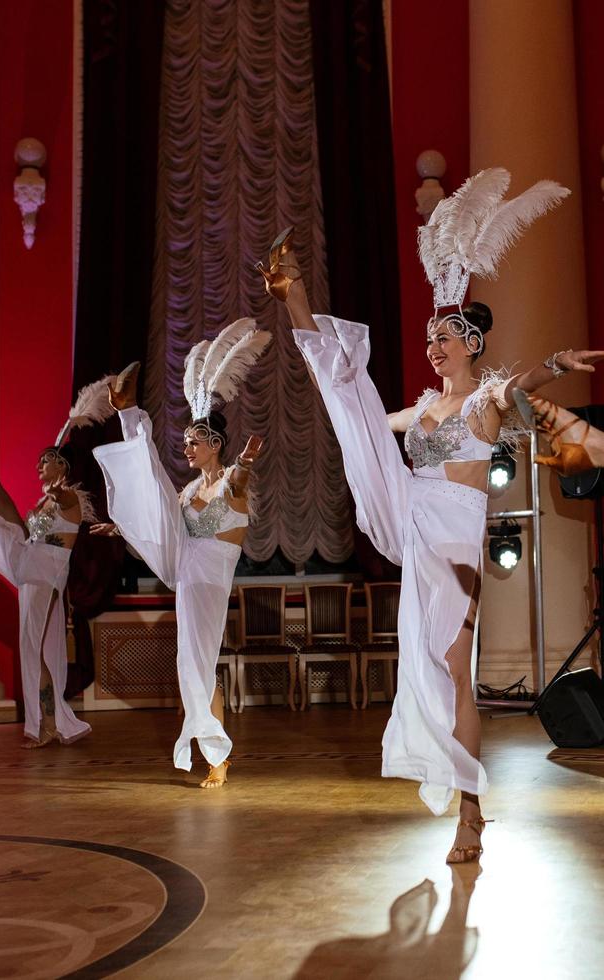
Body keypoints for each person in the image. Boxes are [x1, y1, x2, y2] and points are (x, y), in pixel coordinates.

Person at [256, 168, 604, 861]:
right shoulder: (421, 407)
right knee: (348, 398)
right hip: (411, 510)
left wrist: (551, 364)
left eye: (444, 336)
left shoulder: (485, 401)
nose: (433, 346)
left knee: (451, 670)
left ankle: (470, 812)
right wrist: (331, 403)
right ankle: (292, 296)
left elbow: (522, 385)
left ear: (469, 344)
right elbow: (354, 409)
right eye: (426, 339)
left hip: (453, 532)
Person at [92, 319, 270, 788]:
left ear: (215, 444)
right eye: (185, 440)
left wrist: (247, 461)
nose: (187, 447)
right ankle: (216, 753)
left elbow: (241, 480)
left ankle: (218, 754)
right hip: (188, 573)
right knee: (194, 665)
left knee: (197, 664)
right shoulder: (190, 488)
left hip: (210, 578)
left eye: (194, 441)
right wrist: (121, 525)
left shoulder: (231, 481)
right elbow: (161, 518)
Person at [0, 385, 113, 746]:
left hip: (46, 572)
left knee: (35, 650)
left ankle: (46, 725)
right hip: (27, 560)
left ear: (62, 466)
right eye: (39, 460)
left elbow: (67, 496)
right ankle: (50, 725)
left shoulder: (68, 499)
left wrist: (59, 489)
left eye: (46, 459)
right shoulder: (42, 506)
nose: (39, 464)